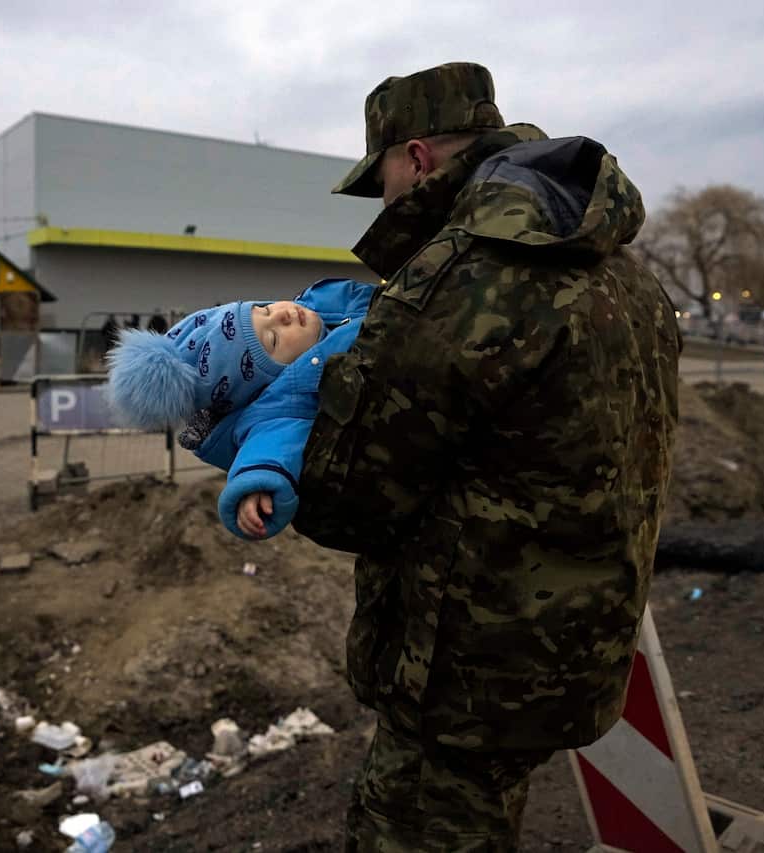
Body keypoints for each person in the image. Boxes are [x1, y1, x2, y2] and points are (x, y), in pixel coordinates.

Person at [291, 62, 681, 850]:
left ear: (420, 158)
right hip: (575, 647)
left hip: (462, 677)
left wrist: (265, 427)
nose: (389, 198)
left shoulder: (465, 278)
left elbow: (346, 499)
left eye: (387, 177)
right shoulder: (618, 266)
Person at [105, 278, 374, 538]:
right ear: (263, 385)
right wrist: (256, 484)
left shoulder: (322, 301)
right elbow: (269, 445)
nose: (282, 316)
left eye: (264, 309)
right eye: (272, 340)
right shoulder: (282, 401)